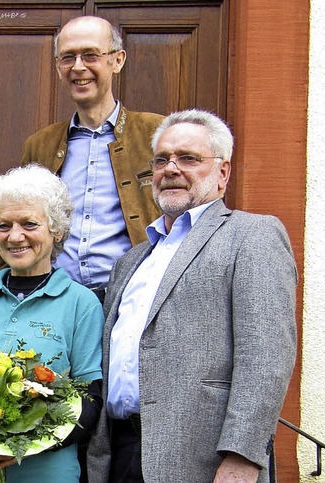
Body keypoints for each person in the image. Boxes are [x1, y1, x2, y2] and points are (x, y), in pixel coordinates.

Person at [87, 110, 297, 483]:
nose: (170, 169)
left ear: (222, 173)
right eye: (162, 159)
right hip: (119, 455)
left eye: (188, 158)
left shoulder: (252, 236)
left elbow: (266, 357)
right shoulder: (131, 261)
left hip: (203, 460)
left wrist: (243, 457)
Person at [0, 164, 104, 482]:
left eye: (29, 224)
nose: (14, 236)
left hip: (43, 473)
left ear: (57, 230)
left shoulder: (81, 304)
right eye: (4, 225)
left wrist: (22, 444)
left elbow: (90, 400)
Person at [21, 16, 164, 303]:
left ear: (118, 60)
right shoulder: (40, 145)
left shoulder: (157, 135)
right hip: (57, 300)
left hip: (134, 298)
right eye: (67, 57)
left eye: (90, 55)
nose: (78, 67)